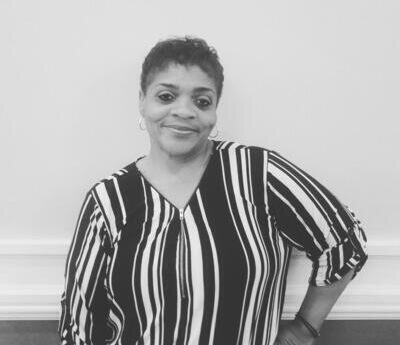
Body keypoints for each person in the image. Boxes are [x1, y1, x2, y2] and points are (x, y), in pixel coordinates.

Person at [58, 36, 368, 345]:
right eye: (166, 96)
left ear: (215, 110)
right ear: (142, 100)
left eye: (202, 101)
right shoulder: (108, 201)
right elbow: (78, 325)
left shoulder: (258, 174)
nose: (184, 111)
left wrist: (304, 328)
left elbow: (344, 242)